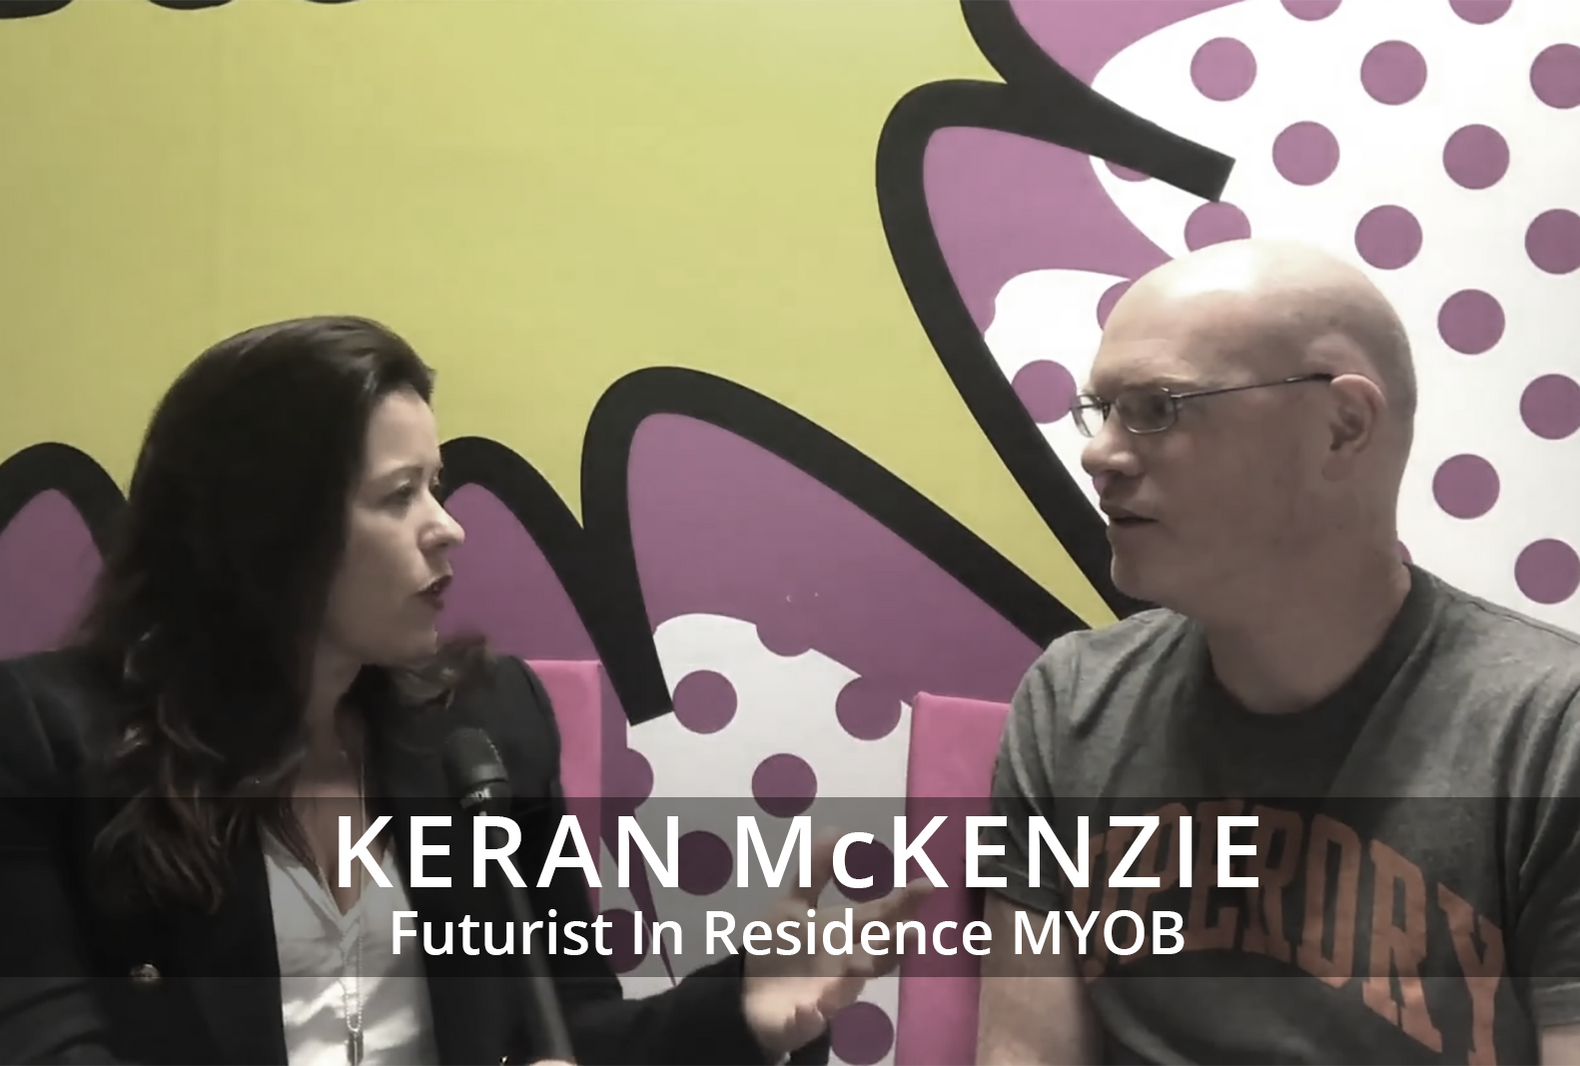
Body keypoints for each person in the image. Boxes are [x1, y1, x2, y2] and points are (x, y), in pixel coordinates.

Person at [0, 315, 930, 1066]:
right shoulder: (52, 744)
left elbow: (568, 1033)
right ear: (262, 531)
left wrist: (740, 1009)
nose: (448, 528)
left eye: (436, 487)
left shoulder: (486, 732)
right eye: (399, 494)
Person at [973, 239, 1580, 1065]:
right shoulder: (1070, 706)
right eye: (1101, 409)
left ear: (1344, 427)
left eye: (1158, 406)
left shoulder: (1561, 735)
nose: (1099, 453)